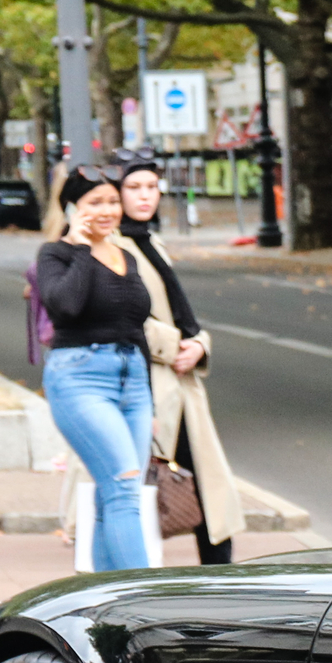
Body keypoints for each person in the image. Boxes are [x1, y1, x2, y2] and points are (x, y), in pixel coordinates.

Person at [118, 156, 244, 563]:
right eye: (134, 187)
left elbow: (180, 312)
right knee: (144, 489)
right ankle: (137, 581)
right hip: (147, 380)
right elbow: (125, 313)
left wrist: (200, 345)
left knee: (206, 484)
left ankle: (218, 578)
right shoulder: (113, 247)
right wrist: (178, 347)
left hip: (179, 382)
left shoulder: (150, 242)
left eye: (151, 187)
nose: (144, 196)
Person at [37, 167, 157, 572]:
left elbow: (136, 326)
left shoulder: (126, 255)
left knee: (117, 495)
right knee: (124, 490)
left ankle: (101, 601)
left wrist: (151, 404)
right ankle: (141, 598)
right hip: (80, 376)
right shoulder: (55, 254)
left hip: (134, 381)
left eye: (111, 201)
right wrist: (83, 247)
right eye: (94, 203)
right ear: (72, 207)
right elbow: (65, 307)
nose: (106, 210)